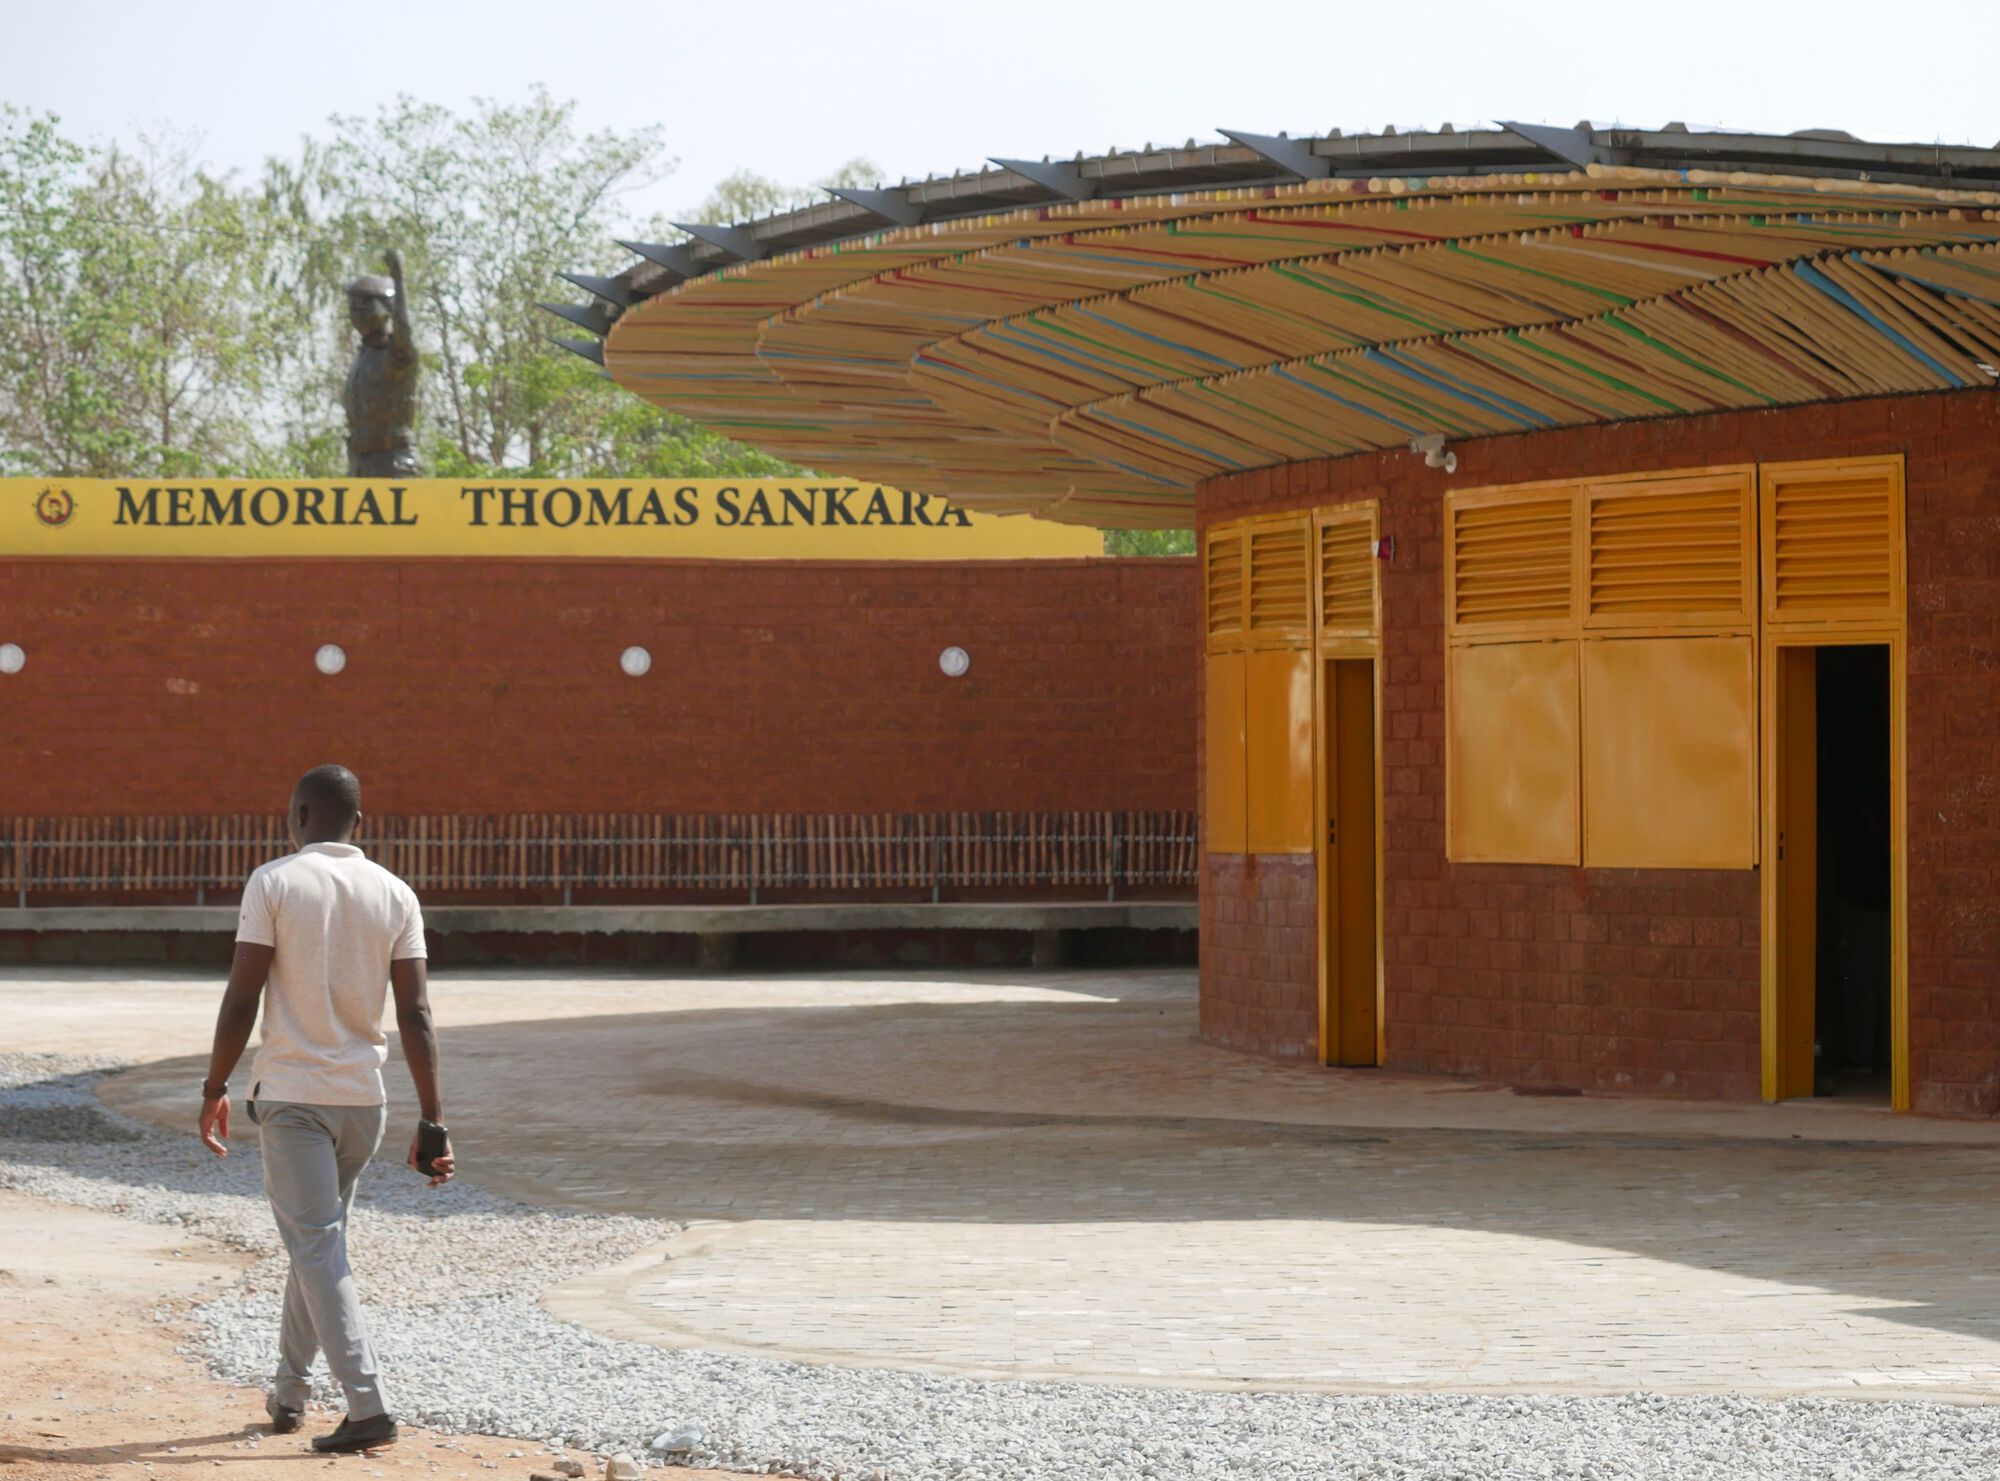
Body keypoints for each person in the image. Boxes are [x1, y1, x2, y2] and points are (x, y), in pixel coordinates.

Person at [197, 764, 452, 1453]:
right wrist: (432, 1118)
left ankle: (367, 1405)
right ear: (359, 824)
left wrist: (213, 1087)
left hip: (292, 1098)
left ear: (299, 816)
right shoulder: (397, 893)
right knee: (317, 1243)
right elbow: (417, 1013)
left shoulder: (274, 881)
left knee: (315, 1243)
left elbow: (242, 997)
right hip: (361, 1105)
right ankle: (288, 1388)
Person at [343, 248, 420, 477]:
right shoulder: (364, 354)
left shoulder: (396, 355)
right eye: (352, 303)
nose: (355, 310)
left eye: (362, 303)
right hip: (361, 463)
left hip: (394, 463)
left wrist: (399, 280)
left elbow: (405, 332)